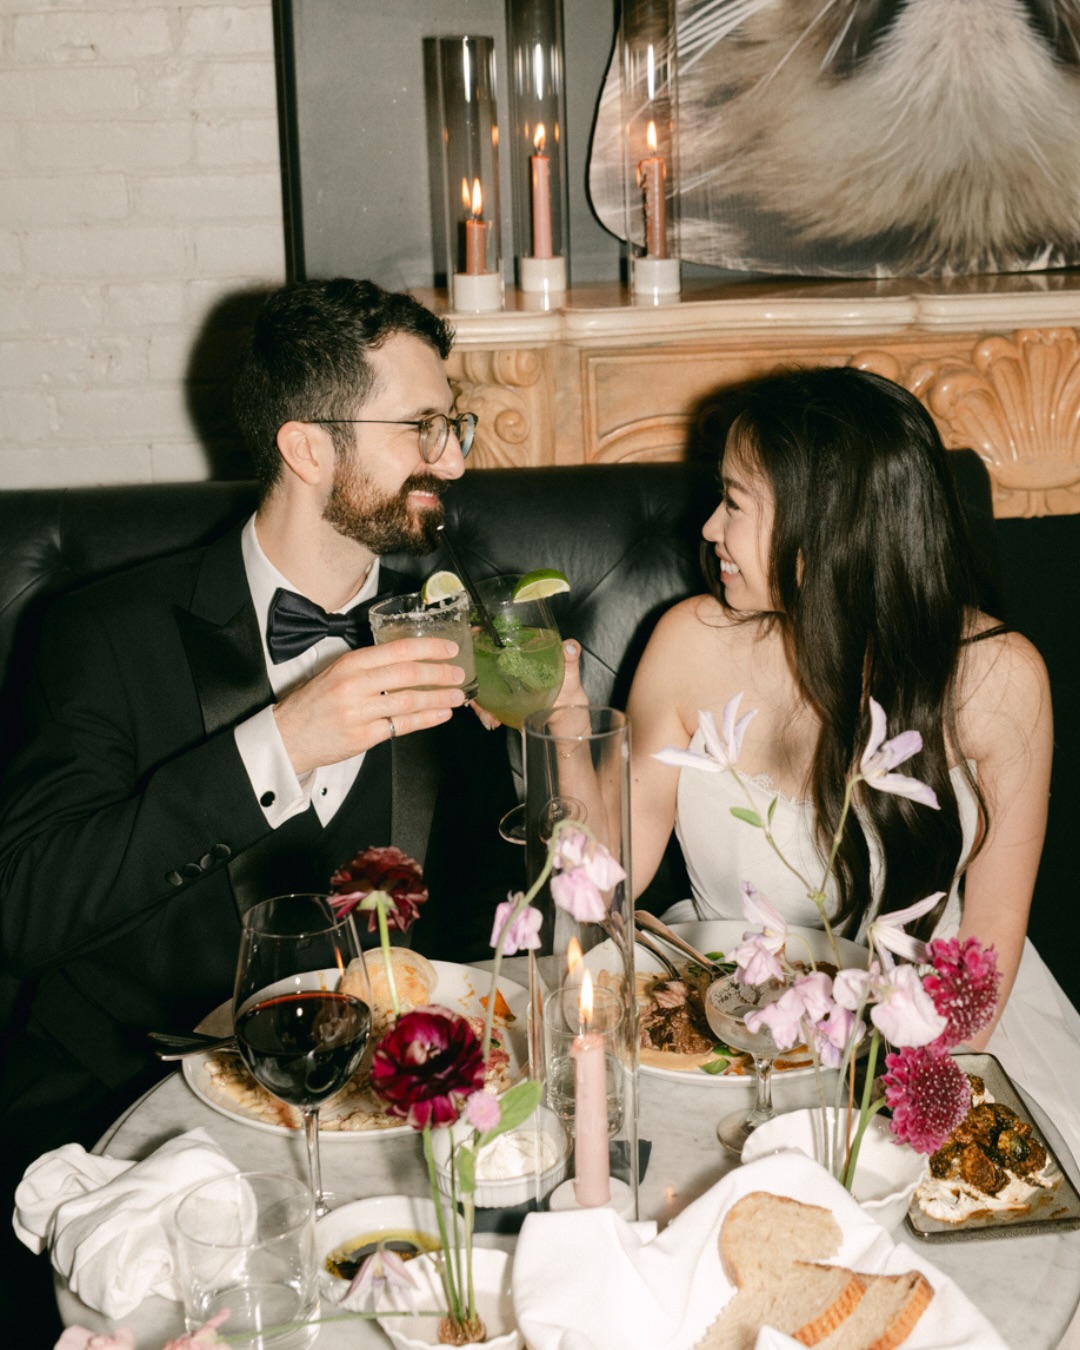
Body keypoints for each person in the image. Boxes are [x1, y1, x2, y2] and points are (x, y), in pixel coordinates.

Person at [0, 277, 517, 1335]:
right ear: (307, 448)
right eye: (423, 428)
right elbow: (29, 904)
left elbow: (488, 921)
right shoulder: (101, 633)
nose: (454, 460)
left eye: (453, 425)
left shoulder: (456, 626)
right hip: (127, 1128)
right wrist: (273, 747)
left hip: (390, 1142)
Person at [566, 365, 1080, 1161]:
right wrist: (570, 738)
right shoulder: (689, 642)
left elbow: (983, 969)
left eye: (734, 503)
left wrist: (863, 1124)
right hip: (730, 1037)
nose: (708, 529)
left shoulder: (999, 680)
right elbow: (609, 885)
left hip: (934, 1045)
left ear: (823, 533)